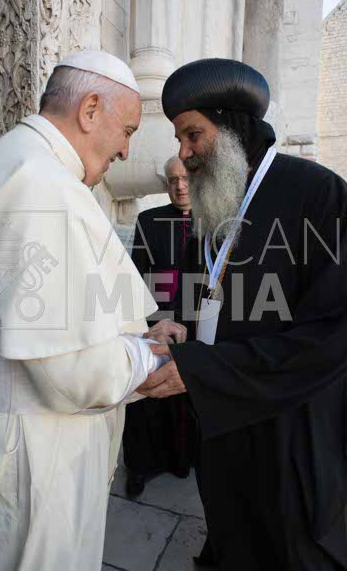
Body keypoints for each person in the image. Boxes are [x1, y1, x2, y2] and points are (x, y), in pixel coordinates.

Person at [0, 50, 170, 571]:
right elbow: (75, 369)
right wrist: (149, 358)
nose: (126, 150)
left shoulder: (15, 158)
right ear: (90, 110)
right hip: (29, 455)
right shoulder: (46, 184)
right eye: (127, 131)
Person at [139, 58, 347, 570]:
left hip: (287, 424)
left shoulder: (319, 194)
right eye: (179, 139)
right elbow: (209, 285)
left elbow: (333, 333)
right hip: (221, 415)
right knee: (231, 526)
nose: (183, 153)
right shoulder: (219, 197)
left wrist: (202, 370)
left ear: (232, 126)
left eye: (193, 135)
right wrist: (181, 324)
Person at [123, 156, 197, 497]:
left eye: (186, 178)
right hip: (157, 323)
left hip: (196, 326)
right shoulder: (149, 220)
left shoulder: (216, 219)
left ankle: (183, 460)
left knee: (186, 399)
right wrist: (154, 323)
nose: (180, 186)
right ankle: (140, 467)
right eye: (172, 180)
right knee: (147, 397)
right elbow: (137, 278)